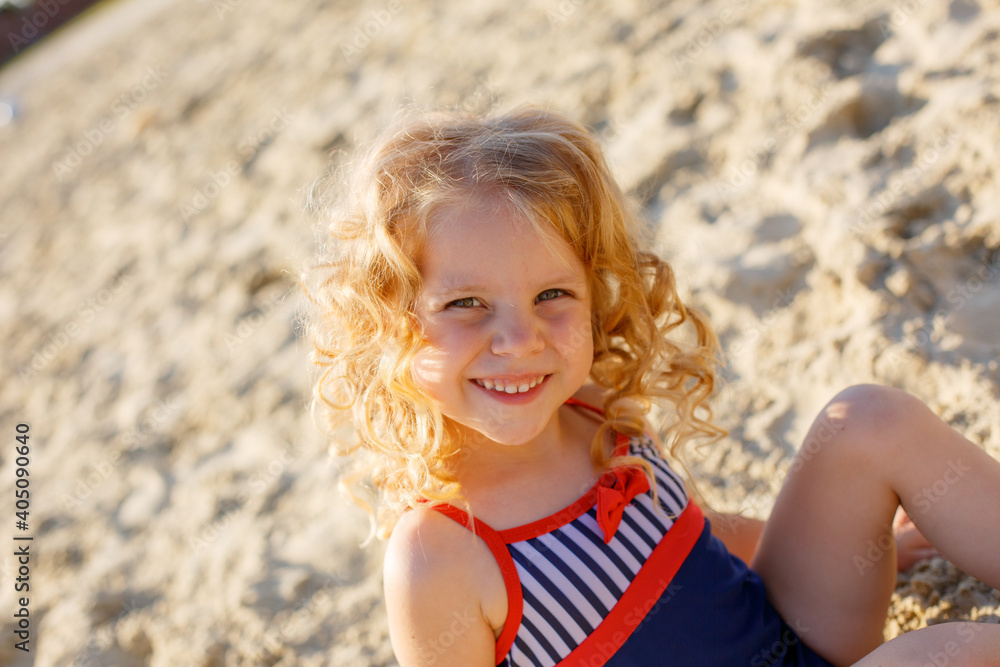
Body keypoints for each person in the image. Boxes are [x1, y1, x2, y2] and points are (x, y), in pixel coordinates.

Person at [301, 105, 1000, 666]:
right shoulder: (441, 553)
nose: (521, 340)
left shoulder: (592, 408)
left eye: (551, 293)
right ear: (386, 322)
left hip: (790, 639)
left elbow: (693, 536)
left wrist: (871, 546)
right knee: (961, 649)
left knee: (869, 417)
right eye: (465, 304)